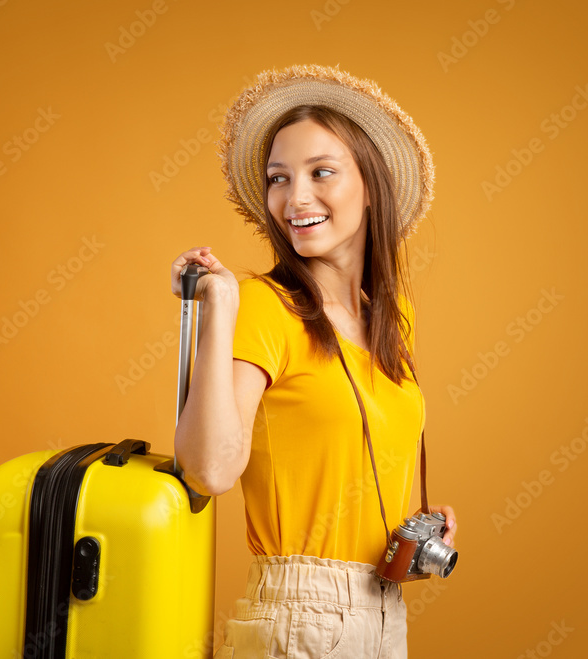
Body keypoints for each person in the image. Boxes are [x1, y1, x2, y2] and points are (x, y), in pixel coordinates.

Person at [170, 64, 457, 659]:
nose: (294, 198)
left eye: (320, 172)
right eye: (279, 178)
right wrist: (219, 308)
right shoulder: (265, 306)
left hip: (383, 612)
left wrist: (414, 531)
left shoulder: (389, 316)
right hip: (298, 618)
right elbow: (208, 471)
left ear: (371, 184)